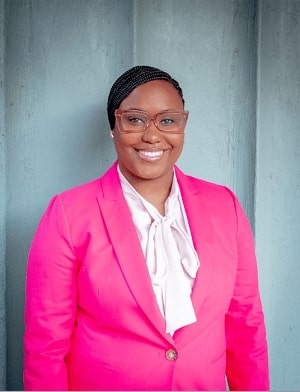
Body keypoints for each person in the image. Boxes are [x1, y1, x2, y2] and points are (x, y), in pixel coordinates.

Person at [24, 65, 269, 390]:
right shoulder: (69, 214)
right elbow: (46, 344)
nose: (152, 136)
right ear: (115, 124)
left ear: (183, 124)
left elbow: (246, 325)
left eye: (168, 120)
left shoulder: (225, 207)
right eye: (135, 119)